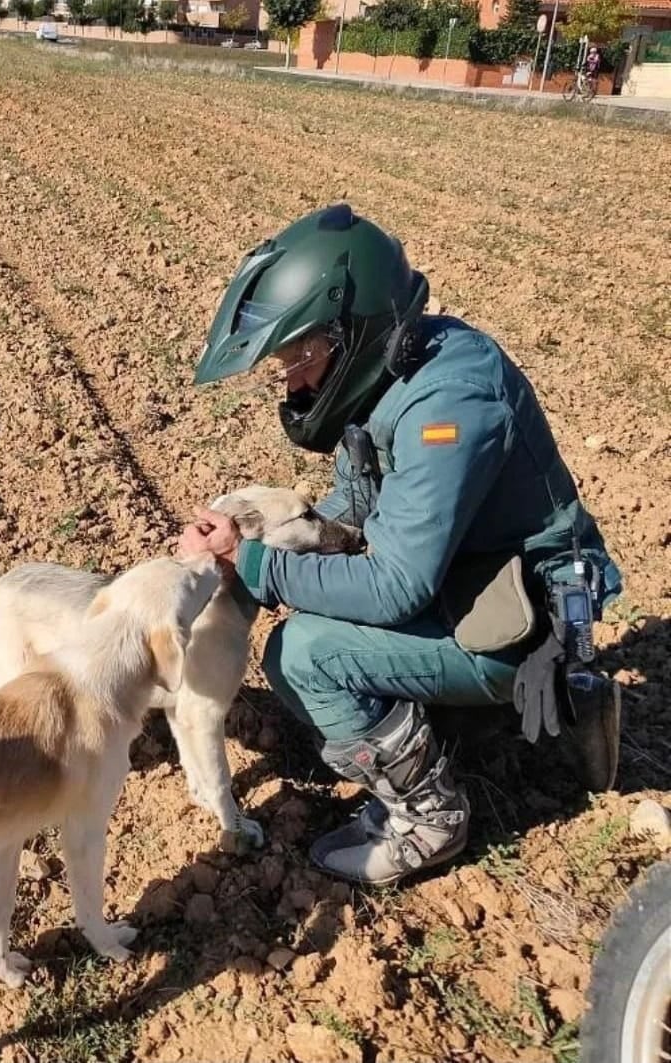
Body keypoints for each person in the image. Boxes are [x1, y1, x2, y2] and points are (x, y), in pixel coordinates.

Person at [178, 204, 623, 887]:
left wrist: (259, 565)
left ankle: (430, 814)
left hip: (524, 620)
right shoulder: (394, 372)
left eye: (300, 356)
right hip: (475, 585)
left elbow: (394, 586)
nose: (292, 381)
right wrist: (254, 537)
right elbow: (352, 508)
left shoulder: (447, 407)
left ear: (353, 331)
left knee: (301, 654)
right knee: (334, 624)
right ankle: (547, 704)